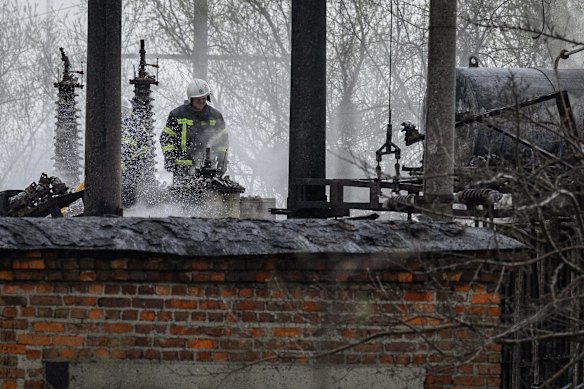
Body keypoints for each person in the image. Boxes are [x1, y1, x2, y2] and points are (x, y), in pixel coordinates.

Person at [160, 79, 228, 184]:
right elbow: (166, 139)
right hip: (182, 169)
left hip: (209, 170)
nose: (201, 101)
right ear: (191, 99)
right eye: (198, 99)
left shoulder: (215, 116)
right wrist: (170, 159)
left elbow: (223, 141)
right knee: (181, 198)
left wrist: (222, 161)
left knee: (209, 198)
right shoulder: (177, 115)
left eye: (204, 98)